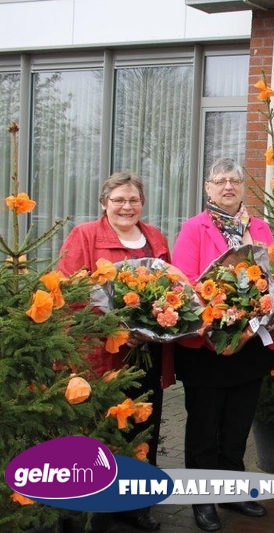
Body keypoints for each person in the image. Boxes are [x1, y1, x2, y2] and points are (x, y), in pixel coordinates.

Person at [171, 158, 274, 532]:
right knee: (204, 427)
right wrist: (223, 308)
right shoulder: (195, 228)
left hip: (250, 345)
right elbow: (185, 282)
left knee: (237, 426)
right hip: (208, 346)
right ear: (208, 188)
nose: (228, 187)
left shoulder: (260, 228)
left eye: (234, 180)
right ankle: (202, 499)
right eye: (220, 181)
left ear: (242, 186)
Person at [58, 171, 171, 532]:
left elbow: (171, 290)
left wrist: (157, 323)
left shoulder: (155, 238)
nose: (126, 206)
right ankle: (95, 509)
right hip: (101, 352)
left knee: (142, 426)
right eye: (118, 199)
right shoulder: (85, 236)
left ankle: (136, 505)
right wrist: (118, 329)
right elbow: (70, 294)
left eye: (133, 200)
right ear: (104, 203)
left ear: (142, 203)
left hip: (146, 354)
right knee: (101, 428)